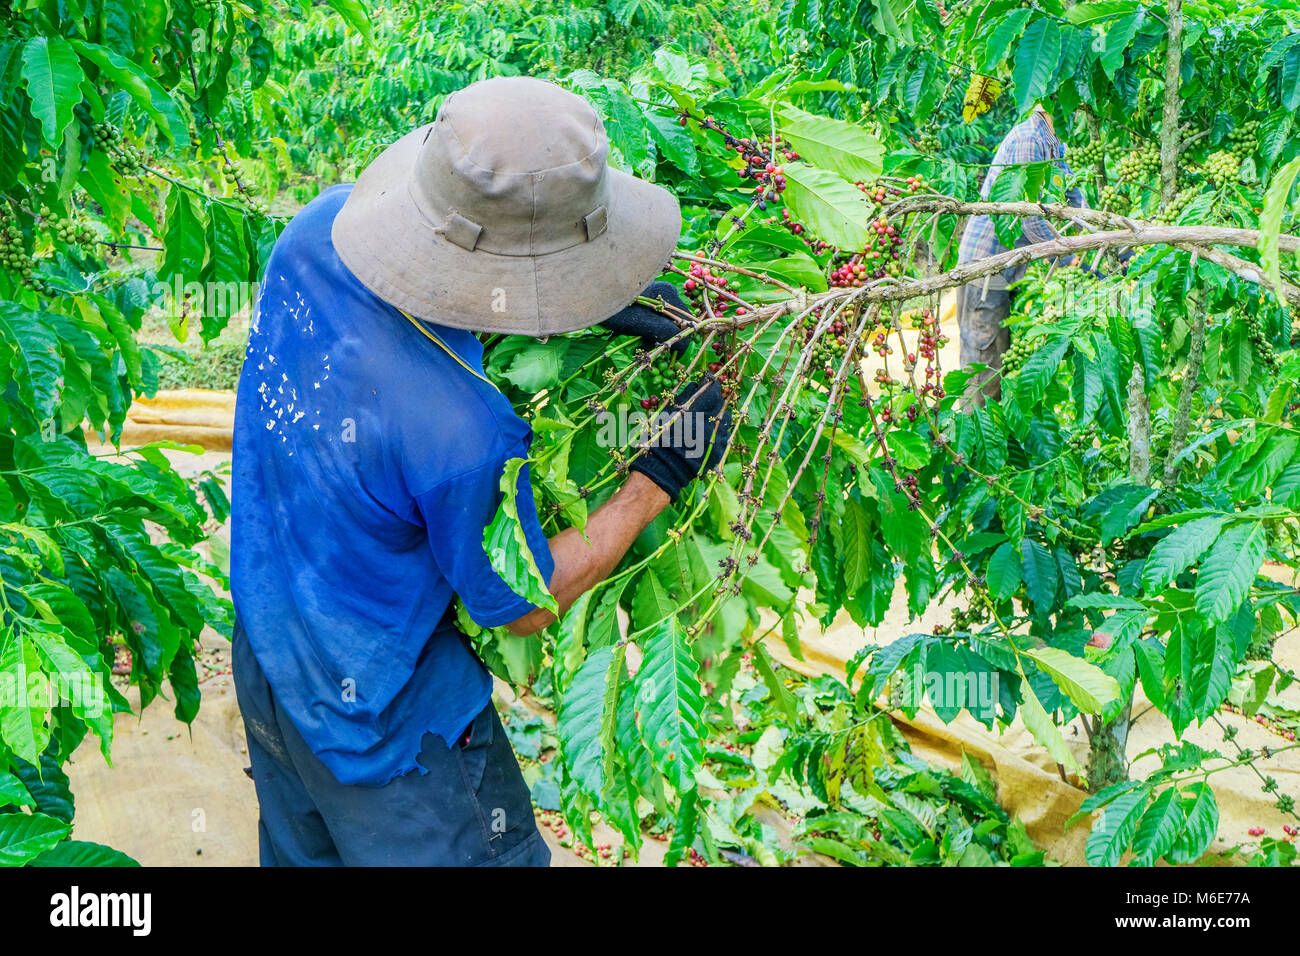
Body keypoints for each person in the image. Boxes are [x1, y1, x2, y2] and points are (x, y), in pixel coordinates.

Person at [229, 76, 730, 866]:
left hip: (270, 656)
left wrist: (587, 304)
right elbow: (524, 600)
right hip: (388, 727)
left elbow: (424, 302)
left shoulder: (315, 229)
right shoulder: (466, 437)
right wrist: (657, 475)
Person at [955, 103, 1086, 403]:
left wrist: (1098, 241)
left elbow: (1074, 199)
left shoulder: (1055, 144)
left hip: (1007, 270)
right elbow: (1027, 217)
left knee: (997, 363)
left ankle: (990, 441)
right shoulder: (1030, 139)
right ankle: (970, 442)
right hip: (986, 268)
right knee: (982, 369)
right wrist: (1067, 256)